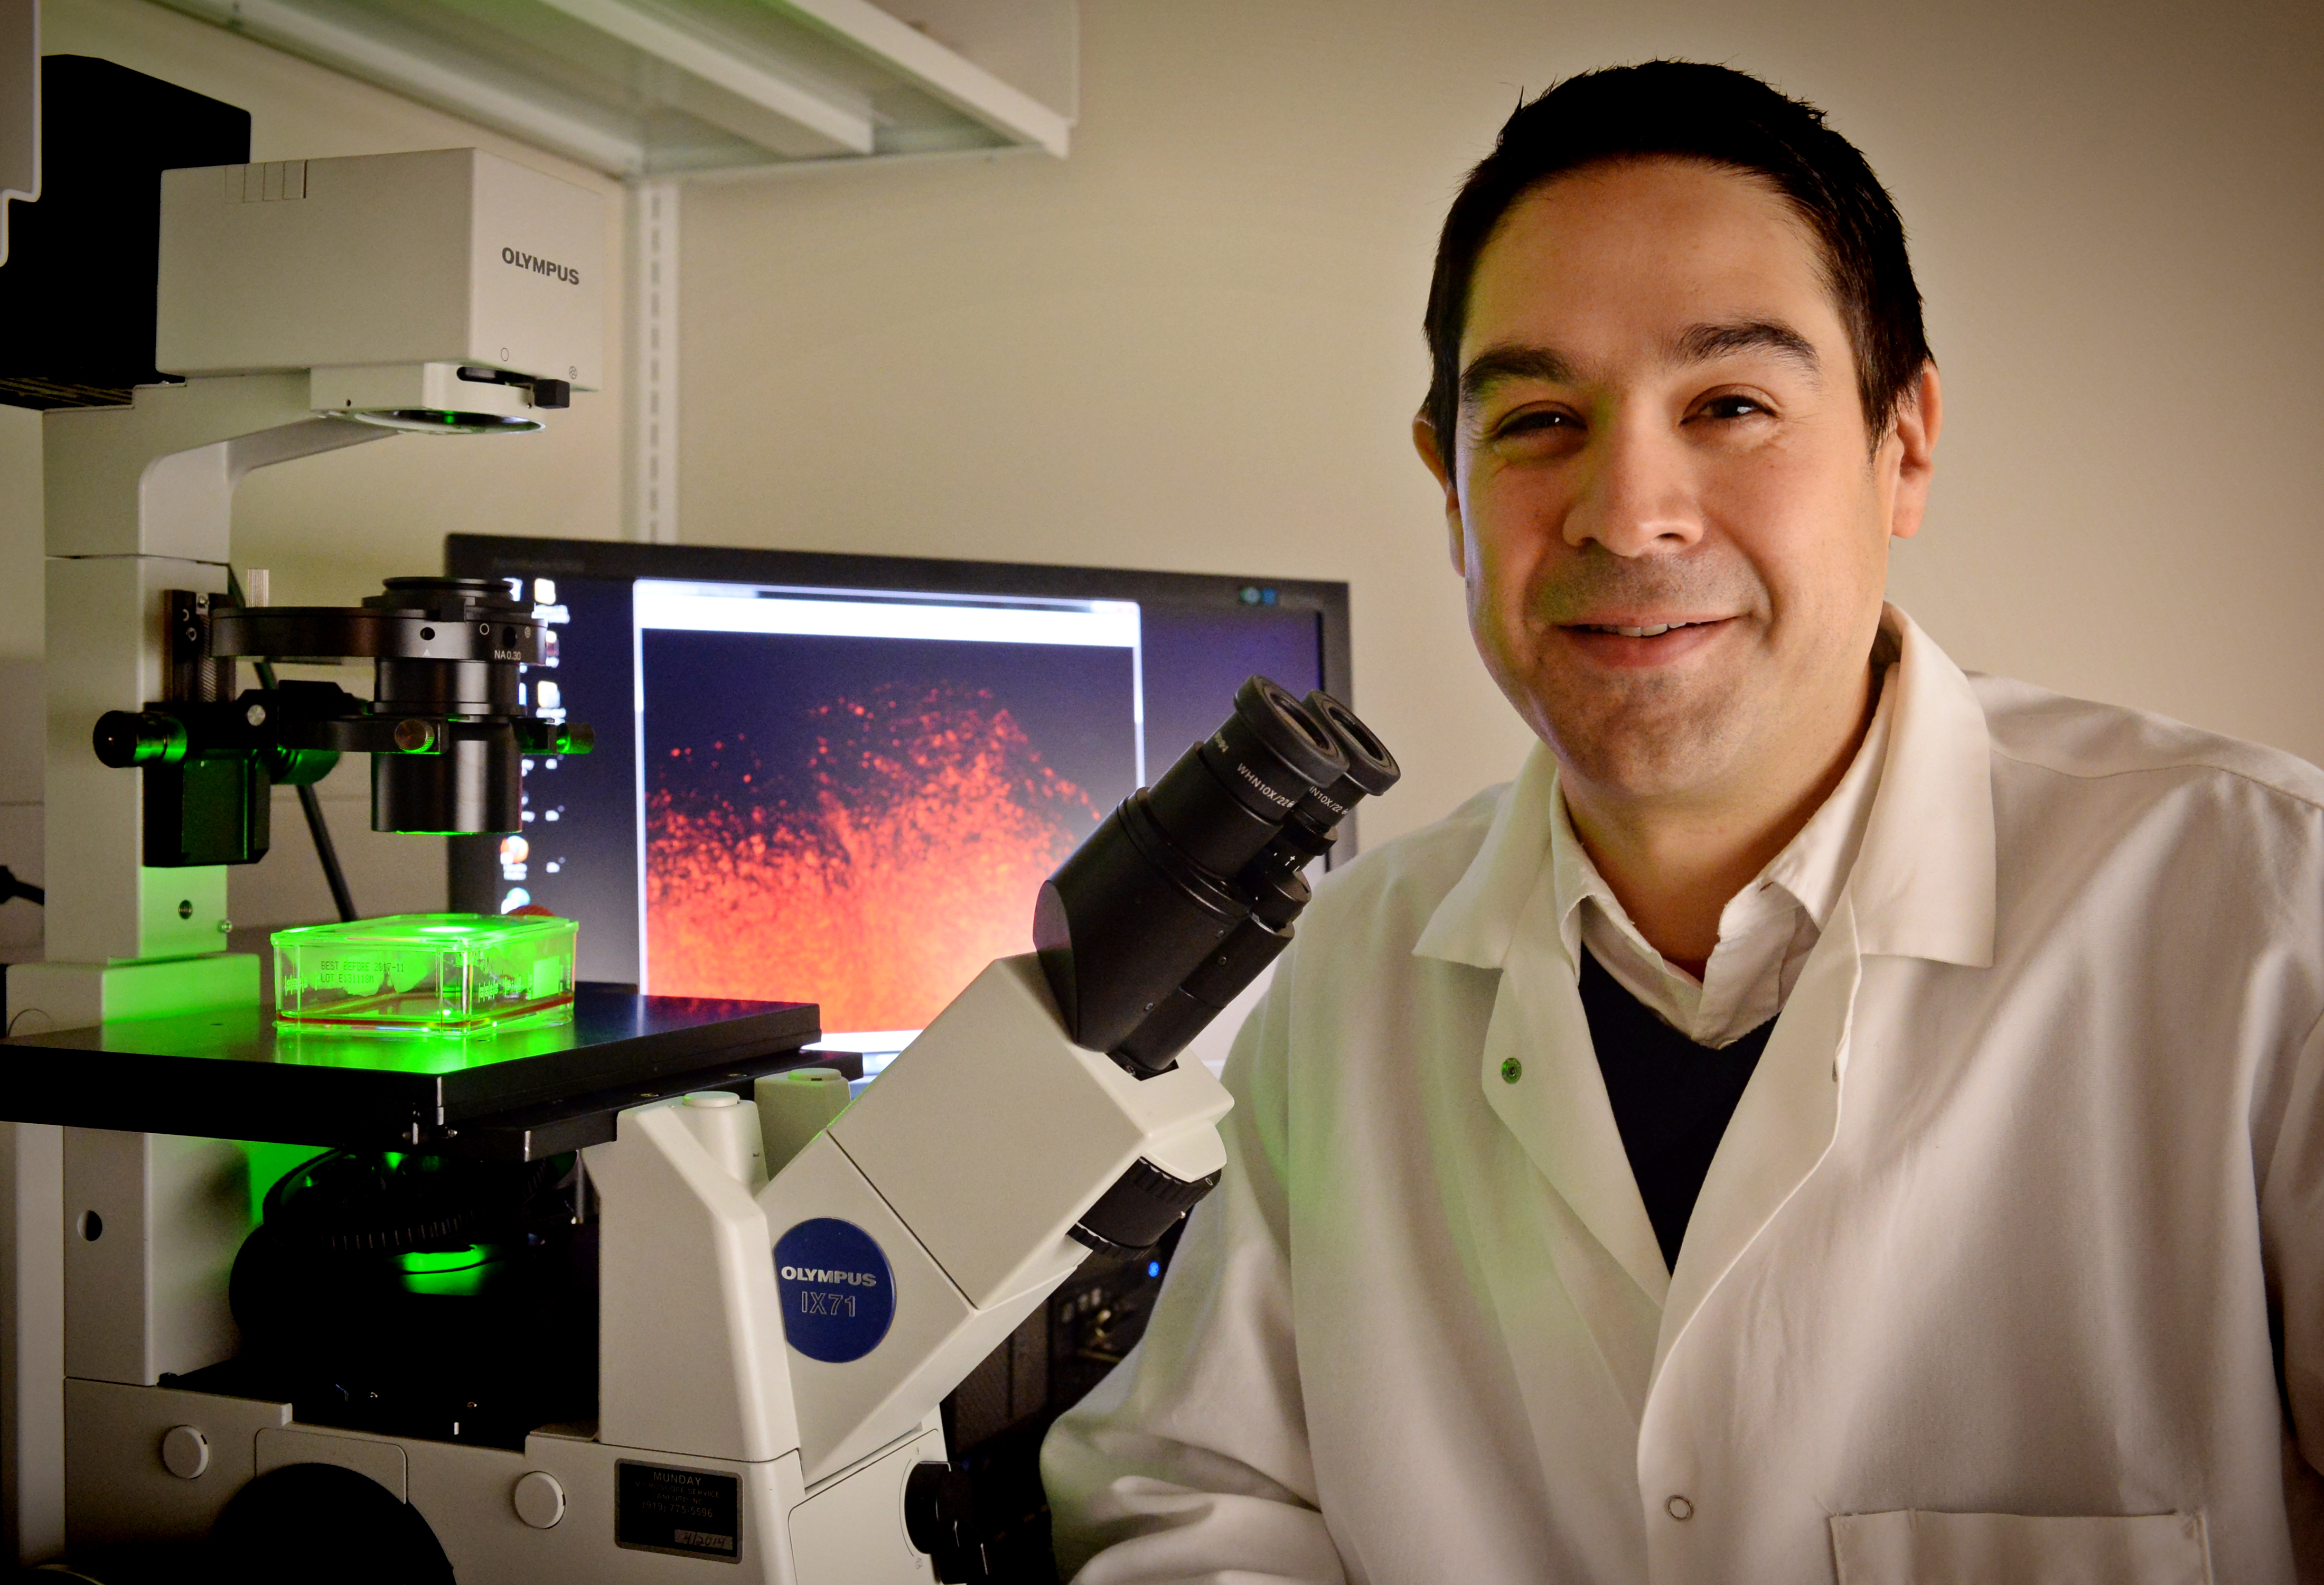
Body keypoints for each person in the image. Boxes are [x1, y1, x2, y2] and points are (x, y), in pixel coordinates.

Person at [1039, 61, 2324, 1583]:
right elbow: (1192, 1507)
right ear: (1446, 481)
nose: (1626, 512)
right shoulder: (1352, 976)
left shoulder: (2265, 914)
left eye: (1730, 404)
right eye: (1536, 422)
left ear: (1902, 444)